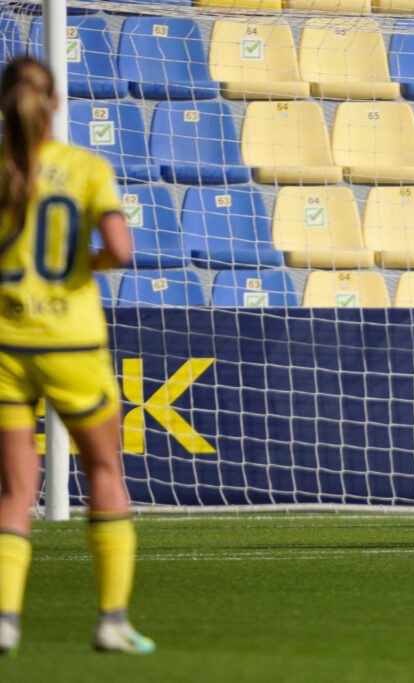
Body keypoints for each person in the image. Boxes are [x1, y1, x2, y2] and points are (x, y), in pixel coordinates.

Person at [0, 58, 154, 654]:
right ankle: (112, 620)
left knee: (15, 490)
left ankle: (6, 620)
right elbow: (119, 248)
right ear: (56, 102)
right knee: (105, 472)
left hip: (7, 345)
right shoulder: (86, 168)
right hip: (72, 344)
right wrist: (77, 266)